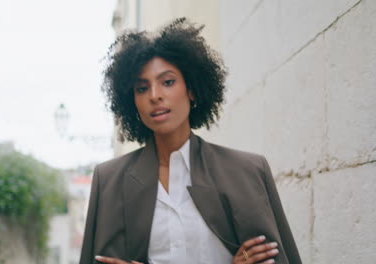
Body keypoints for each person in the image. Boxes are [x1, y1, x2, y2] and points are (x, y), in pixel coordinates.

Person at [80, 18, 302, 264]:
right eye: (142, 88)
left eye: (168, 82)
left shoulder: (247, 171)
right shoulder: (109, 181)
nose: (155, 96)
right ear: (131, 102)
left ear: (192, 89)